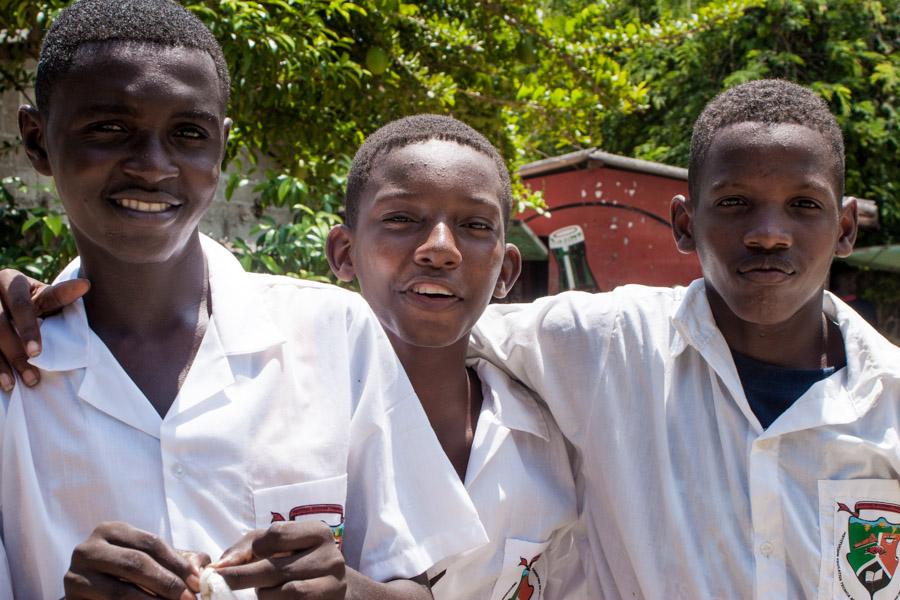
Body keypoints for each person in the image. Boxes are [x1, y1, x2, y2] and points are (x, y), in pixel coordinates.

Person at [0, 1, 486, 598]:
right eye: (108, 128)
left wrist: (348, 590)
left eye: (189, 133)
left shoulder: (333, 335)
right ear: (36, 140)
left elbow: (416, 585)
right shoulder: (14, 371)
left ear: (222, 147)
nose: (154, 167)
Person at [469, 78, 900, 598]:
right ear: (684, 223)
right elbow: (427, 333)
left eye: (804, 205)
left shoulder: (890, 397)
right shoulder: (609, 344)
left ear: (846, 228)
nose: (768, 233)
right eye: (735, 202)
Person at [325, 114, 586, 599]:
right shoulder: (289, 422)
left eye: (474, 225)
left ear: (506, 270)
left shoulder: (547, 444)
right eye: (402, 219)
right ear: (344, 252)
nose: (440, 249)